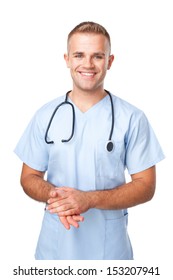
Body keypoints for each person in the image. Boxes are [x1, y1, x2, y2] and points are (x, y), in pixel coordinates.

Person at [14, 21, 165, 260]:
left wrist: (89, 199)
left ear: (110, 61)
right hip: (55, 249)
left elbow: (146, 186)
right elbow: (28, 178)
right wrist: (61, 200)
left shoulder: (132, 118)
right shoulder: (46, 115)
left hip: (110, 252)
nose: (87, 64)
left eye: (97, 56)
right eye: (79, 55)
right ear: (67, 60)